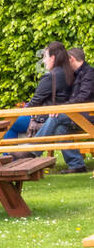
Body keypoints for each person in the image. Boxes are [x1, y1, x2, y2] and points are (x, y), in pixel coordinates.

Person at [35, 45, 94, 173]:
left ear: (71, 59)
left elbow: (84, 96)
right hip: (78, 116)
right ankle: (77, 165)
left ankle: (32, 150)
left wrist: (62, 108)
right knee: (60, 128)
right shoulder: (76, 74)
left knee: (54, 118)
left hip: (88, 116)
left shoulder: (89, 73)